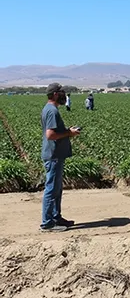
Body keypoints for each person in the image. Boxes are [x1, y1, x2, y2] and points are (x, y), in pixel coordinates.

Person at [40, 83, 81, 232]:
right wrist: (69, 133)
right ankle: (47, 223)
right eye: (61, 92)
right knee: (51, 189)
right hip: (54, 155)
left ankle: (56, 217)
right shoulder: (52, 111)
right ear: (56, 94)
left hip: (55, 155)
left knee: (57, 189)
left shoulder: (50, 109)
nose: (64, 94)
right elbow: (50, 135)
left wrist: (66, 131)